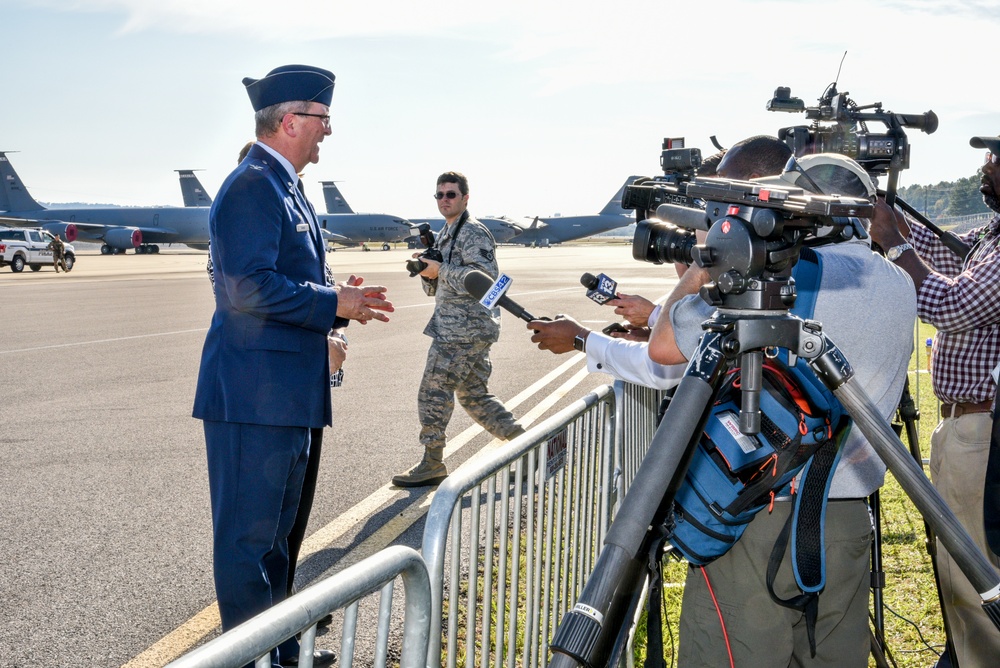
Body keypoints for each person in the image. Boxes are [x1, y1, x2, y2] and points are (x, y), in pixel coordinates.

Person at [648, 145, 916, 666]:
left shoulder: (778, 282)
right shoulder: (897, 283)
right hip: (844, 521)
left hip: (756, 511)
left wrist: (707, 259)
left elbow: (662, 345)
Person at [193, 64, 393, 668]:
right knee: (248, 542)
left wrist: (336, 304)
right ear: (288, 121)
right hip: (254, 397)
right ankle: (251, 659)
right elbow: (247, 289)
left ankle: (282, 652)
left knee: (280, 542)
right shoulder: (252, 184)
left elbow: (282, 283)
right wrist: (335, 302)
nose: (327, 132)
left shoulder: (284, 186)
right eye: (322, 118)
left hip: (286, 393)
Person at [868, 135, 1000, 668]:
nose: (985, 166)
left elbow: (951, 302)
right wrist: (884, 213)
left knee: (977, 574)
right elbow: (942, 250)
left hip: (984, 430)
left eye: (996, 157)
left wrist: (894, 246)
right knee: (958, 566)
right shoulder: (992, 236)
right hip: (966, 428)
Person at [391, 171, 523, 487]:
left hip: (464, 331)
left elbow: (483, 280)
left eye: (451, 194)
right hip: (459, 326)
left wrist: (441, 269)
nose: (444, 200)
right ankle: (531, 447)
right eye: (439, 195)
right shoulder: (445, 233)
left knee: (433, 392)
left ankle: (432, 462)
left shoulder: (473, 233)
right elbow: (435, 289)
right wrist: (427, 271)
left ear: (465, 198)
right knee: (474, 396)